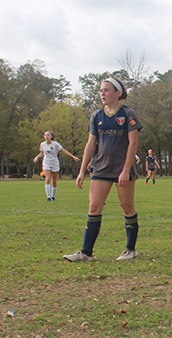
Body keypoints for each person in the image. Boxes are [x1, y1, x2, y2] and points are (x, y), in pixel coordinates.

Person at [64, 77, 143, 262]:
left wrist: (125, 170)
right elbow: (90, 145)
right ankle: (86, 253)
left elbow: (133, 144)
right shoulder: (96, 116)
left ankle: (130, 249)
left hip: (122, 169)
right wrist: (82, 170)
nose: (102, 94)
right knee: (94, 206)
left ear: (117, 93)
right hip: (100, 168)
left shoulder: (128, 114)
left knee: (126, 206)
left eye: (106, 90)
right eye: (101, 90)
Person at [33, 131, 80, 202]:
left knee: (54, 180)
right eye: (45, 135)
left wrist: (73, 157)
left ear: (51, 136)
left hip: (54, 163)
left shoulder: (55, 144)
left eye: (48, 135)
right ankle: (48, 197)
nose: (46, 136)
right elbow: (42, 153)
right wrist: (36, 157)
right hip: (46, 162)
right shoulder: (42, 144)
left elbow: (64, 151)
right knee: (47, 178)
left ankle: (53, 196)